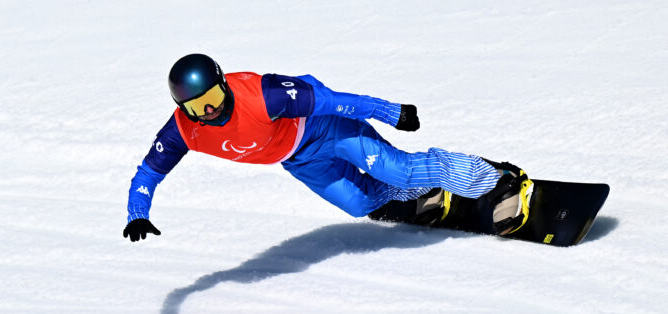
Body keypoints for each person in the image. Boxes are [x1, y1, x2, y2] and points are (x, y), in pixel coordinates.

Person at [123, 53, 530, 242]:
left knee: (397, 169)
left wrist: (391, 112)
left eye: (212, 98)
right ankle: (426, 190)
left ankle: (499, 180)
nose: (209, 111)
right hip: (298, 159)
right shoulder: (182, 131)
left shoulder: (265, 95)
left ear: (224, 84)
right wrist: (137, 213)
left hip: (327, 128)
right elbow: (147, 174)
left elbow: (333, 101)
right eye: (197, 107)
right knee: (360, 204)